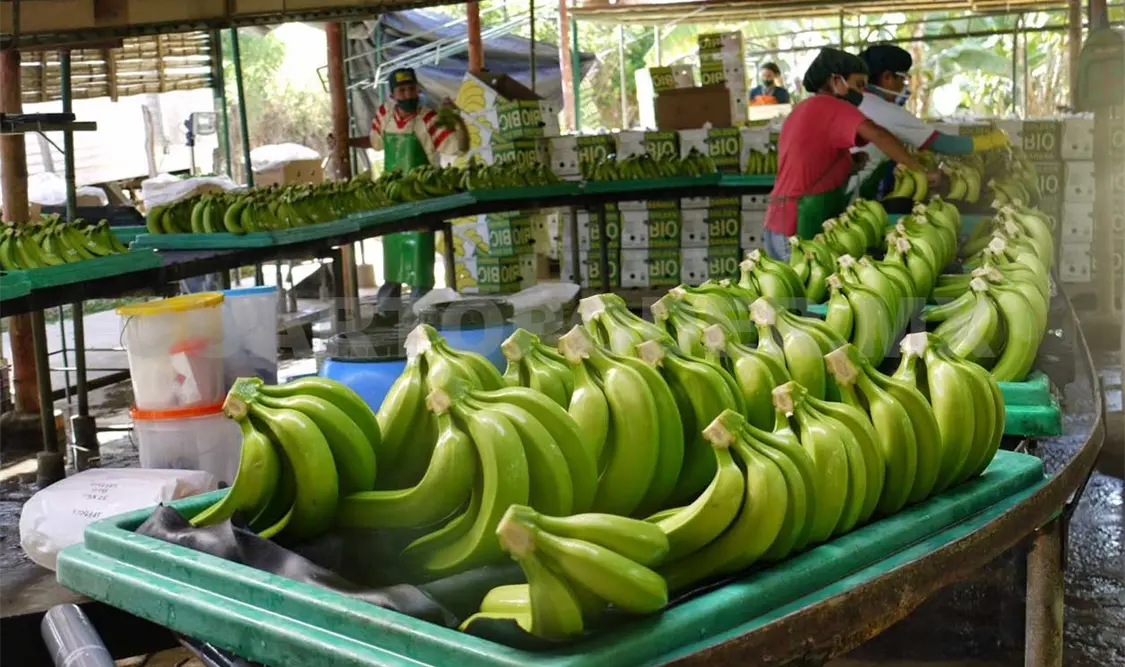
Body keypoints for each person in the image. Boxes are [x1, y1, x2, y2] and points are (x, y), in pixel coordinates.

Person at [762, 48, 939, 261]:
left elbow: (809, 159)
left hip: (777, 223)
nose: (862, 93)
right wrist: (918, 170)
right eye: (858, 85)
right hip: (797, 226)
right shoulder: (832, 105)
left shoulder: (804, 108)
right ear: (836, 81)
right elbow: (878, 134)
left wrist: (849, 162)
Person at [347, 68, 469, 295]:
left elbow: (458, 147)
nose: (408, 95)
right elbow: (375, 142)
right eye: (402, 91)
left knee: (420, 259)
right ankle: (388, 307)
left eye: (411, 89)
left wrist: (457, 120)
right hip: (393, 197)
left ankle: (419, 304)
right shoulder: (385, 113)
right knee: (392, 256)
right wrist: (347, 142)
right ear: (393, 95)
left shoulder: (430, 119)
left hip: (422, 197)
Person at [853, 44, 1009, 200]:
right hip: (855, 194)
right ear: (887, 78)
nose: (904, 87)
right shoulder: (886, 110)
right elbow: (943, 143)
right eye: (903, 79)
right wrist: (990, 141)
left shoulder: (855, 102)